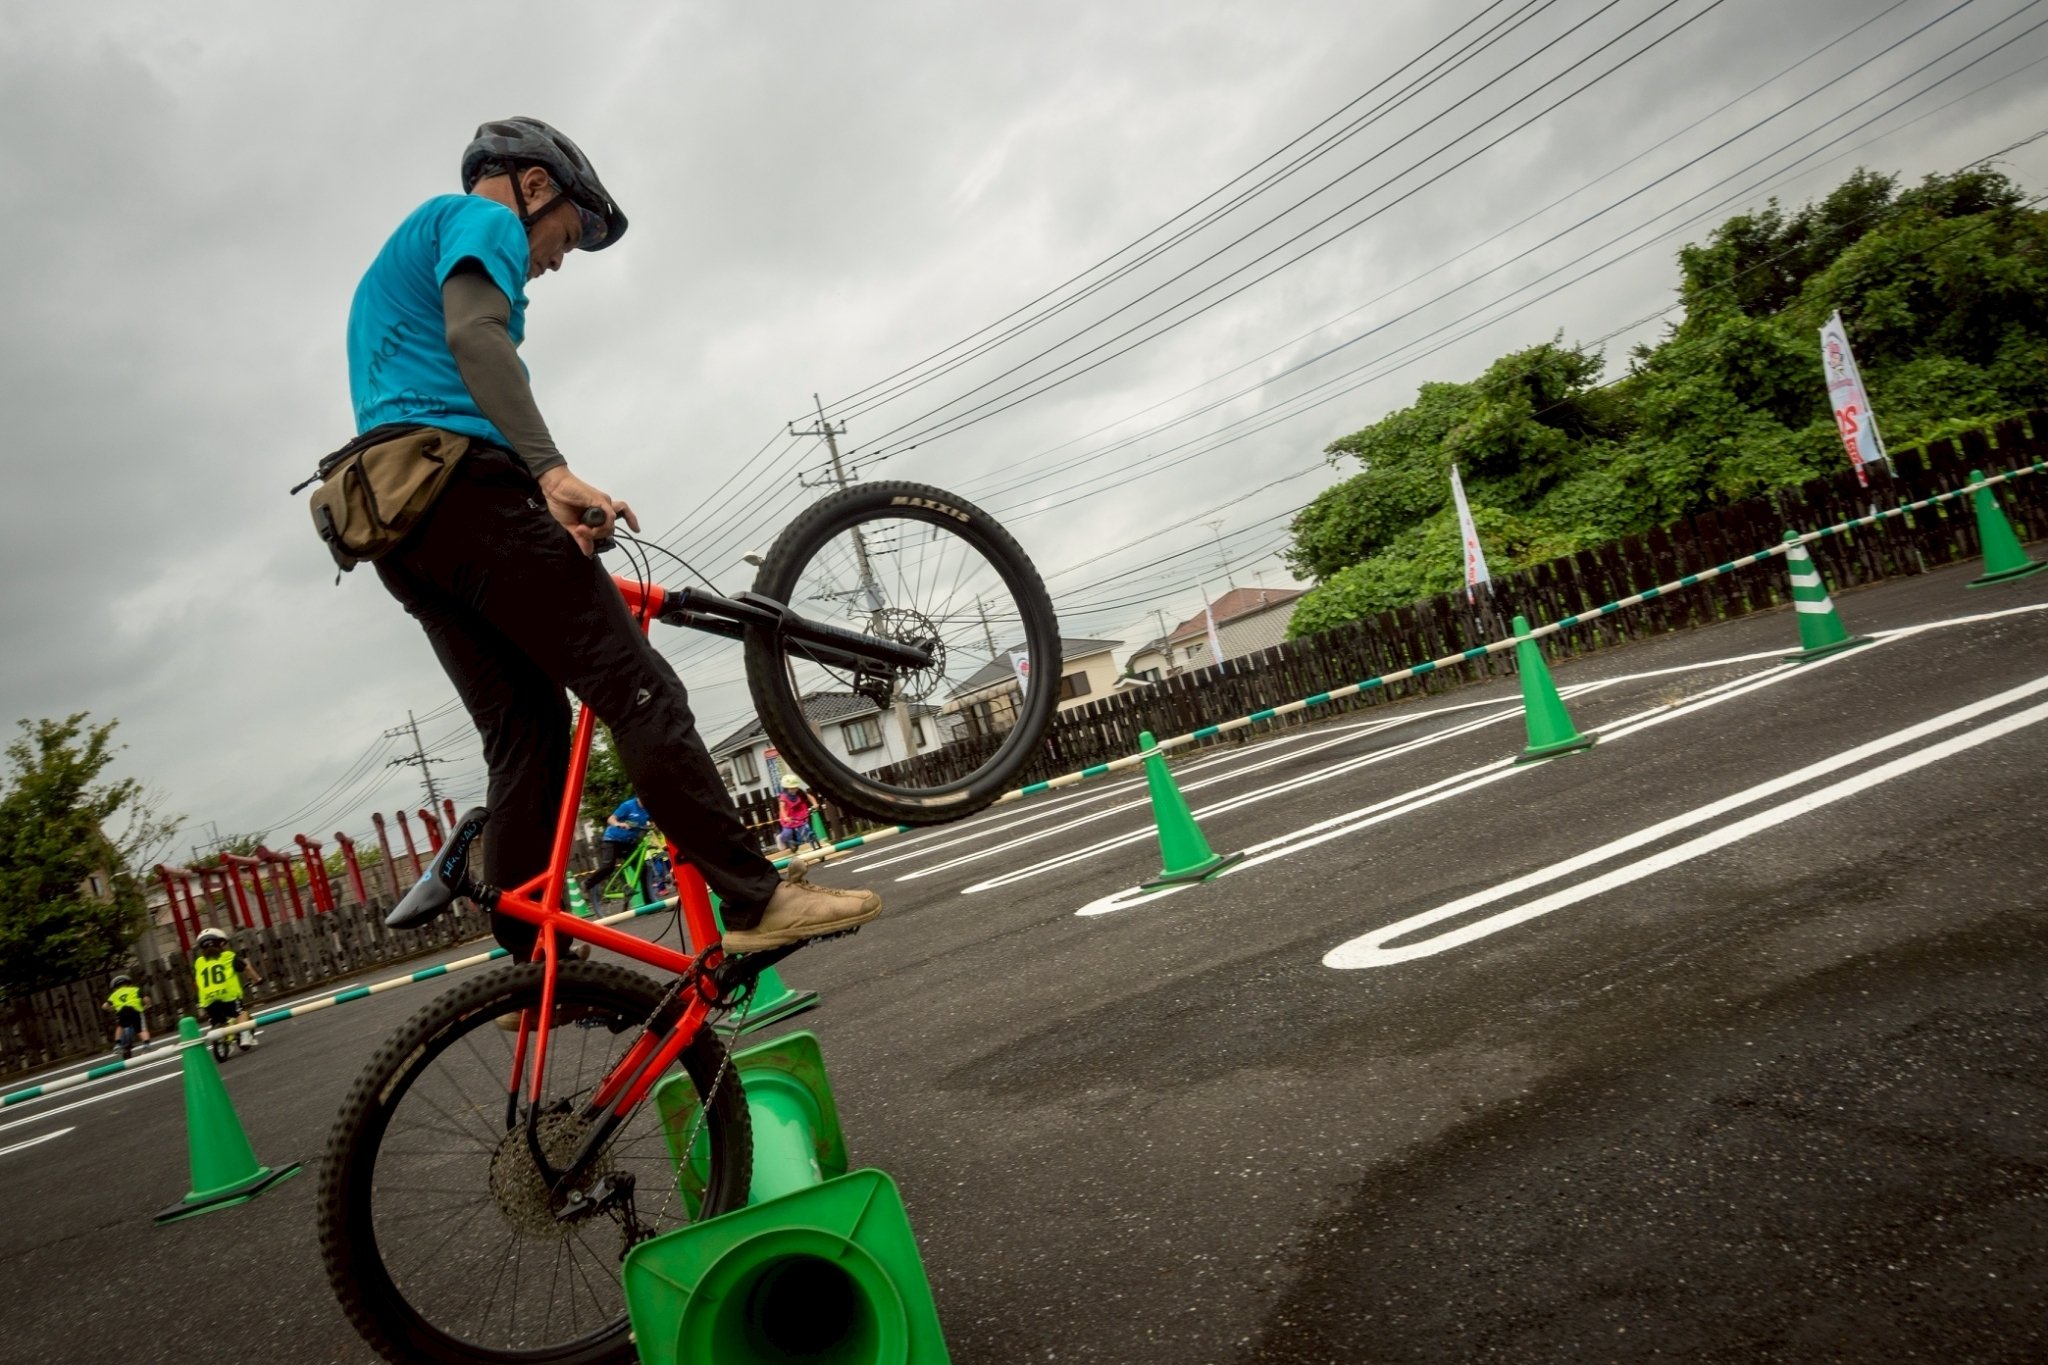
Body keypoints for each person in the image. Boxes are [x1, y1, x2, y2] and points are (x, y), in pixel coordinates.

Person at [342, 118, 880, 956]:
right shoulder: (478, 217)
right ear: (532, 185)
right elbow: (475, 337)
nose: (559, 260)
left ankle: (531, 972)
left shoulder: (404, 261)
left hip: (402, 529)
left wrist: (537, 492)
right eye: (568, 233)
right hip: (467, 496)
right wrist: (553, 473)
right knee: (639, 691)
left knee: (527, 737)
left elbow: (439, 396)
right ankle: (755, 897)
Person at [192, 927, 261, 1054]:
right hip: (228, 996)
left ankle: (223, 1043)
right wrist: (257, 979)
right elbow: (247, 968)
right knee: (241, 1013)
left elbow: (197, 982)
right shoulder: (228, 956)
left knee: (218, 1021)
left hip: (208, 999)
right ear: (221, 943)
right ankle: (245, 1035)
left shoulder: (199, 962)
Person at [582, 793, 651, 905]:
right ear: (638, 797)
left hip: (629, 842)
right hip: (613, 840)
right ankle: (587, 884)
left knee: (643, 869)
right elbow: (611, 819)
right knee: (608, 867)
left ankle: (650, 903)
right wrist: (619, 824)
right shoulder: (628, 806)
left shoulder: (648, 810)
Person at [106, 974, 148, 1060]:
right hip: (135, 1011)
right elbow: (146, 999)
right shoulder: (135, 989)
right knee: (140, 1029)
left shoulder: (114, 994)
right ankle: (146, 1044)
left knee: (120, 1026)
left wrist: (111, 1009)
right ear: (129, 983)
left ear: (115, 987)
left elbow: (104, 1006)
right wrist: (147, 1005)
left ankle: (118, 1044)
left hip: (122, 1012)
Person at [775, 776, 819, 854]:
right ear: (786, 788)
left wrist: (815, 804)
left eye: (795, 787)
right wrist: (785, 817)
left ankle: (810, 841)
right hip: (789, 817)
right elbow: (782, 807)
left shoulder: (800, 793)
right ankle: (781, 838)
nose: (794, 790)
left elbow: (810, 797)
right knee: (787, 833)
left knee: (804, 829)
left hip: (800, 815)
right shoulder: (784, 796)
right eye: (791, 788)